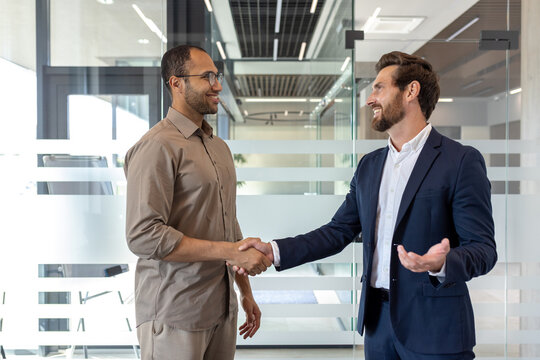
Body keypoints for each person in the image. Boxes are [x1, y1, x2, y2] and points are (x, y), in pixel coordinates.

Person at [235, 51, 497, 359]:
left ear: (410, 91)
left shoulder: (460, 161)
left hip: (436, 328)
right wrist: (275, 250)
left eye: (379, 88)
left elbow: (483, 249)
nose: (370, 99)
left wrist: (441, 263)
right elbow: (338, 231)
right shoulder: (370, 166)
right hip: (378, 325)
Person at [124, 44, 271, 360]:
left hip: (220, 307)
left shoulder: (218, 148)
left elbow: (227, 224)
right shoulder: (156, 147)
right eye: (207, 77)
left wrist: (245, 293)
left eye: (217, 76)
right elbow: (143, 235)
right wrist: (230, 252)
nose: (217, 85)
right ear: (176, 83)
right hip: (175, 313)